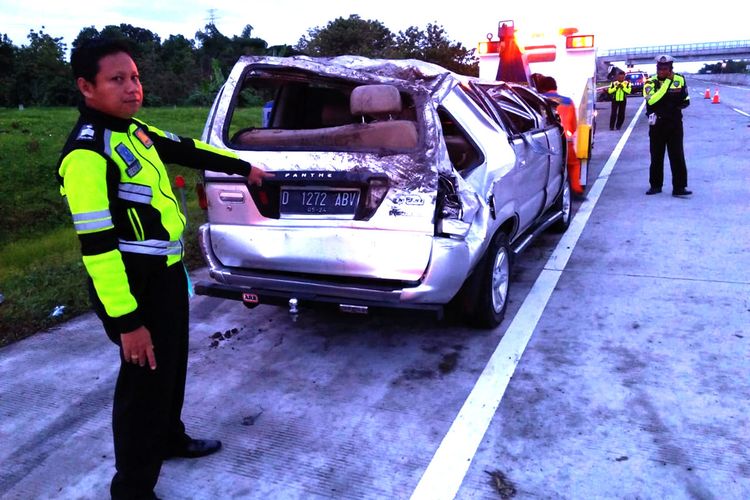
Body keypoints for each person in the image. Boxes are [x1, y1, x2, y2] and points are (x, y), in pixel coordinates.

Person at [56, 38, 271, 499]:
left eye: (134, 77)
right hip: (132, 284)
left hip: (167, 272)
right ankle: (132, 487)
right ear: (86, 87)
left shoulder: (134, 131)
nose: (133, 88)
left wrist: (245, 168)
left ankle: (169, 437)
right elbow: (96, 248)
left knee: (170, 368)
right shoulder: (87, 155)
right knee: (142, 384)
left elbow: (188, 148)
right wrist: (127, 320)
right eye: (117, 79)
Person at [643, 54, 692, 197]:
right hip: (657, 125)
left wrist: (679, 105)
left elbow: (686, 98)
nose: (662, 71)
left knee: (677, 156)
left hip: (675, 124)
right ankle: (655, 186)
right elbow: (652, 101)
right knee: (656, 157)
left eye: (665, 68)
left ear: (671, 68)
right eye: (660, 68)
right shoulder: (650, 82)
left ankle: (679, 187)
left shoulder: (680, 79)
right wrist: (666, 84)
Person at [536, 75, 585, 198]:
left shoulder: (537, 100)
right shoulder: (568, 101)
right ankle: (576, 190)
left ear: (542, 88)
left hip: (545, 142)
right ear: (555, 87)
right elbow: (573, 126)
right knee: (573, 164)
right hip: (565, 141)